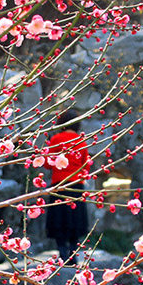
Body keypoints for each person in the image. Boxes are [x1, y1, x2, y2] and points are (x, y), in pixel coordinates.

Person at [44, 110, 92, 265]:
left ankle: (62, 252)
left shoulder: (56, 139)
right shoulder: (81, 141)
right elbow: (86, 166)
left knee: (59, 219)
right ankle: (73, 252)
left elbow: (47, 164)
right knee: (75, 219)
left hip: (58, 185)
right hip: (76, 185)